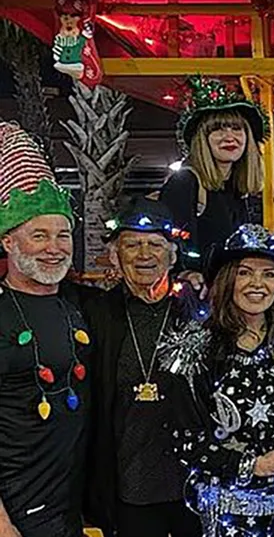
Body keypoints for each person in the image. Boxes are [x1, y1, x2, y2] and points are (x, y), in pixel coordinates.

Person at [160, 224, 274, 537]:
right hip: (222, 516)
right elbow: (184, 438)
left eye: (269, 274)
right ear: (228, 279)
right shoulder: (196, 349)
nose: (257, 284)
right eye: (245, 273)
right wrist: (254, 464)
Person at [81, 199, 203, 537]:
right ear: (116, 256)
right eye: (131, 245)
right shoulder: (97, 314)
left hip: (194, 486)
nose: (144, 254)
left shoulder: (196, 311)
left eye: (154, 245)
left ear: (173, 255)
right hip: (128, 488)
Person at [0, 122, 90, 537]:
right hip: (15, 514)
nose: (54, 247)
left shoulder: (77, 304)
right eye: (39, 235)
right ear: (8, 242)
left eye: (62, 235)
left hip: (68, 507)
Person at [159, 76, 268, 270]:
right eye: (217, 129)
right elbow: (170, 245)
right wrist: (188, 274)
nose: (229, 137)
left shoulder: (236, 189)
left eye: (237, 128)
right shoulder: (185, 182)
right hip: (198, 293)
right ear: (202, 139)